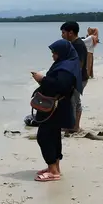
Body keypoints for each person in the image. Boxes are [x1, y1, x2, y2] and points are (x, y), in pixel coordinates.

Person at [30, 39, 80, 182]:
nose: (53, 55)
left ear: (62, 53)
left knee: (44, 137)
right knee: (54, 136)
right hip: (59, 106)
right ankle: (55, 167)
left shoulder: (66, 68)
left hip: (56, 107)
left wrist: (42, 79)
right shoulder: (67, 63)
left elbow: (61, 86)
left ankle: (53, 171)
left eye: (55, 53)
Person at [60, 21, 88, 132]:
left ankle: (75, 126)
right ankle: (71, 125)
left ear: (70, 33)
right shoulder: (72, 44)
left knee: (74, 101)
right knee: (72, 100)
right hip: (75, 77)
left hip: (79, 78)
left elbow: (79, 64)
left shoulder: (78, 45)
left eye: (63, 32)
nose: (62, 35)